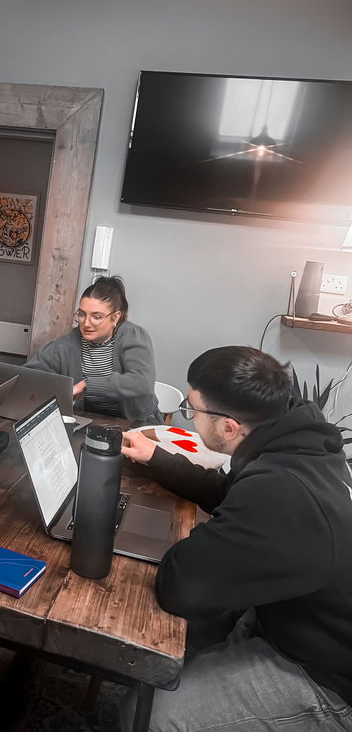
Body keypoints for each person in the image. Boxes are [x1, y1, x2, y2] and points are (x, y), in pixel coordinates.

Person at [120, 346, 352, 732]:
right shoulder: (298, 444)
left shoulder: (282, 489)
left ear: (228, 427)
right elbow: (231, 493)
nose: (191, 419)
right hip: (290, 617)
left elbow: (182, 585)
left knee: (146, 715)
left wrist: (198, 538)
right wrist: (158, 458)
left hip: (326, 674)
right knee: (184, 647)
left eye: (193, 410)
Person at [25, 276, 162, 423]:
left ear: (115, 317)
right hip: (90, 420)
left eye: (96, 317)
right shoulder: (66, 344)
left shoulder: (133, 336)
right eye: (82, 314)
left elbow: (142, 383)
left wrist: (86, 385)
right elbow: (29, 377)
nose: (86, 323)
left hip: (136, 423)